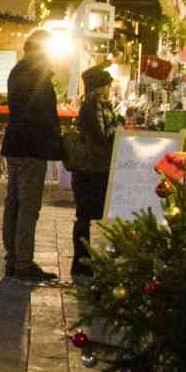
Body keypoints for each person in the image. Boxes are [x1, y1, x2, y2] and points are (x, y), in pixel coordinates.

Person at [1, 29, 65, 282]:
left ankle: (13, 260)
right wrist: (55, 144)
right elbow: (42, 115)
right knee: (27, 205)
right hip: (30, 148)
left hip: (16, 144)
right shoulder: (35, 74)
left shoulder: (18, 71)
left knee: (14, 203)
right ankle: (23, 263)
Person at [68, 65, 120, 278]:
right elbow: (101, 133)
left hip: (92, 167)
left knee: (85, 214)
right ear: (100, 87)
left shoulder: (94, 104)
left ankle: (83, 261)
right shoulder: (94, 105)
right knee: (85, 214)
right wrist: (119, 125)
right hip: (93, 167)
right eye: (108, 85)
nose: (110, 89)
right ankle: (82, 263)